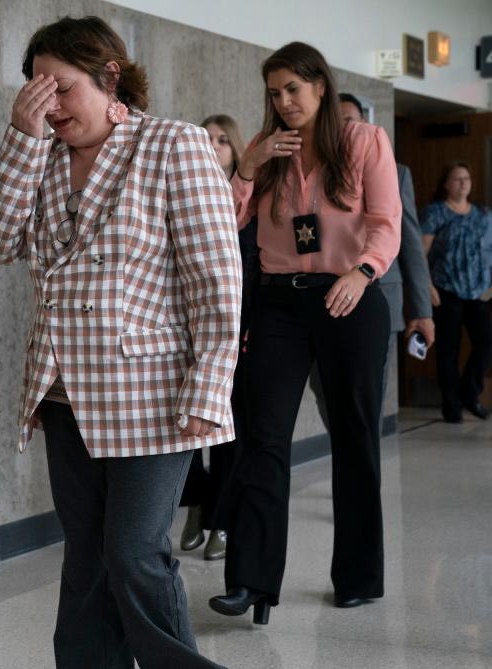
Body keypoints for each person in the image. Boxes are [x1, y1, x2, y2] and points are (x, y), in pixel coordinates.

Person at [0, 16, 241, 669]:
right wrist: (22, 137)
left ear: (109, 76)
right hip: (65, 393)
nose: (51, 106)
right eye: (36, 91)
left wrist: (209, 384)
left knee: (134, 552)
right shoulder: (40, 154)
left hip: (154, 395)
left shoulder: (173, 144)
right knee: (87, 556)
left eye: (60, 88)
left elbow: (216, 277)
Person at [208, 42, 401, 624]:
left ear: (321, 86)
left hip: (350, 297)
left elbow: (385, 224)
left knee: (354, 434)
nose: (284, 101)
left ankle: (359, 576)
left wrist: (362, 273)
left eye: (293, 88)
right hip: (278, 305)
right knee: (261, 437)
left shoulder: (365, 142)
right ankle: (250, 582)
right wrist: (246, 166)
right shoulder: (267, 155)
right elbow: (223, 221)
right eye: (274, 92)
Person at [309, 94, 435, 428]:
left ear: (364, 122)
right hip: (323, 296)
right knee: (326, 393)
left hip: (378, 296)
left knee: (366, 401)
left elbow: (410, 243)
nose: (344, 128)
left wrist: (421, 311)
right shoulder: (312, 167)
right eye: (336, 121)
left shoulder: (396, 171)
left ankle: (363, 465)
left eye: (350, 120)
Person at [178, 114, 248, 561]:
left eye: (224, 140)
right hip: (181, 331)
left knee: (226, 434)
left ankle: (222, 520)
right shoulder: (181, 192)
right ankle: (196, 502)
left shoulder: (249, 203)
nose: (215, 146)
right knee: (181, 429)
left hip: (237, 333)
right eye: (207, 138)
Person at [420, 162, 492, 422]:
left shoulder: (484, 215)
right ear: (446, 184)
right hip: (445, 289)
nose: (463, 183)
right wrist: (426, 287)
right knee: (448, 350)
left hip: (478, 292)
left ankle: (470, 394)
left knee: (486, 343)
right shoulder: (435, 212)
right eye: (457, 179)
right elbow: (420, 254)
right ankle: (451, 405)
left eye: (467, 178)